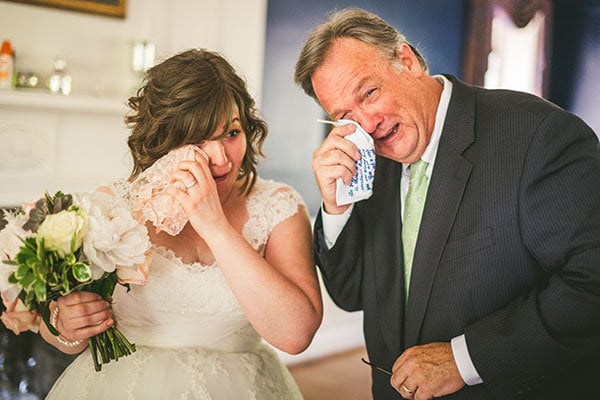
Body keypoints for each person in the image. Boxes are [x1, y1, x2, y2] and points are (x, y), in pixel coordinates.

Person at [294, 7, 600, 400]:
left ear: (407, 60)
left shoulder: (538, 135)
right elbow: (350, 295)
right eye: (344, 116)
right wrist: (335, 209)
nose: (366, 125)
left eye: (369, 93)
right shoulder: (366, 159)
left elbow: (590, 282)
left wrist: (465, 359)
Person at [38, 48, 323, 399]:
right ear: (163, 142)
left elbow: (296, 336)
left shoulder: (278, 206)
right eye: (198, 140)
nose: (221, 159)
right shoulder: (111, 208)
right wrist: (64, 326)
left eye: (232, 133)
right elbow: (65, 334)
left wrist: (216, 227)